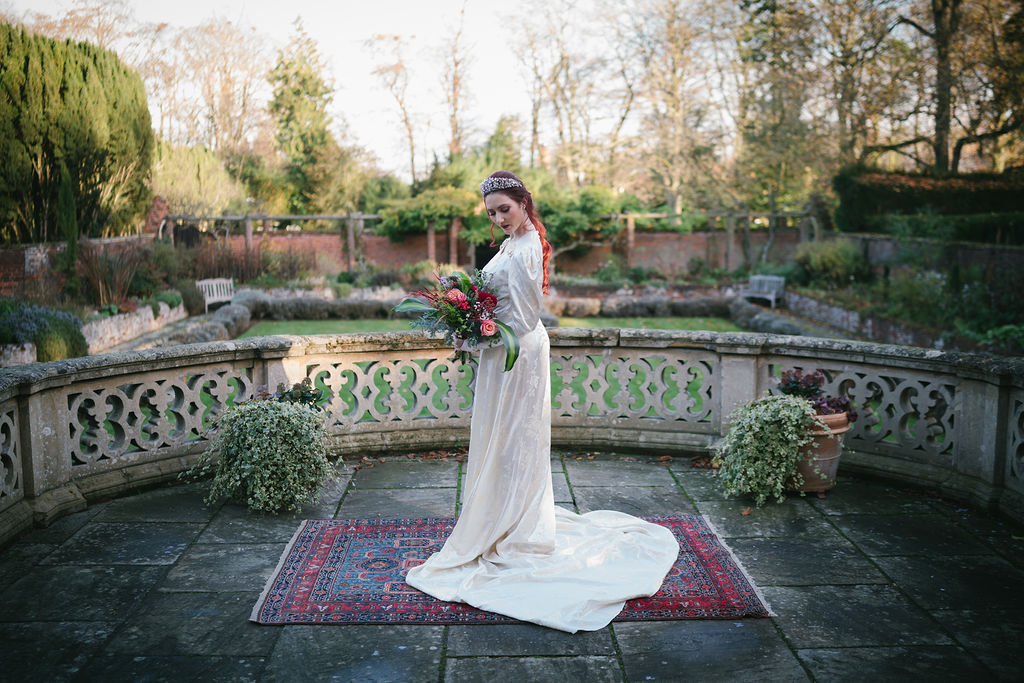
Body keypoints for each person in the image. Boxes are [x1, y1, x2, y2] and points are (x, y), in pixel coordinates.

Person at [404, 170, 679, 633]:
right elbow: (495, 298)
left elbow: (527, 317)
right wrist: (469, 314)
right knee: (500, 437)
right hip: (500, 352)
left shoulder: (528, 248)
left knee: (514, 440)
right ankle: (499, 513)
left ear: (523, 203)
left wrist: (476, 329)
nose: (498, 218)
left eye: (504, 210)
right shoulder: (513, 242)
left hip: (517, 353)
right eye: (491, 213)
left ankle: (513, 525)